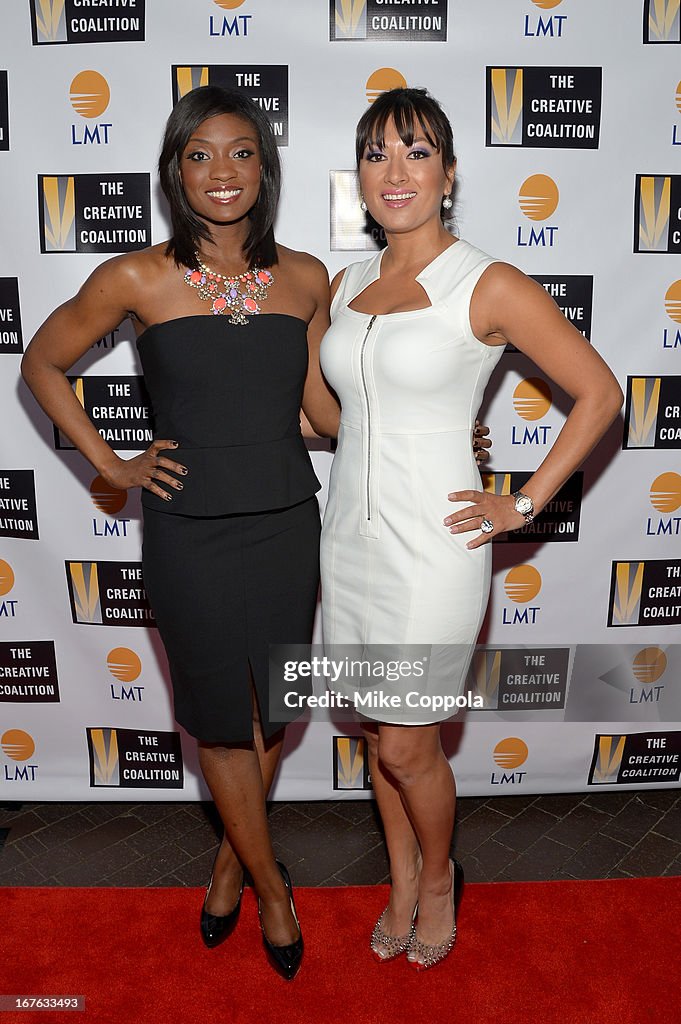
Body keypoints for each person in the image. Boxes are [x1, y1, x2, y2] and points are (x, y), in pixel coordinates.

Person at [21, 86, 339, 981]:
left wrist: (426, 434)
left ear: (265, 166)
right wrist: (109, 464)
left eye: (240, 151)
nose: (222, 170)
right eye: (199, 154)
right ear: (174, 170)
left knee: (270, 711)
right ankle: (273, 887)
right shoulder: (136, 276)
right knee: (220, 723)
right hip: (188, 531)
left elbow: (319, 413)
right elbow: (41, 361)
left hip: (284, 521)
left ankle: (230, 861)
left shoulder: (305, 277)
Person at [319, 87, 623, 971]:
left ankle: (442, 879)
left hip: (434, 549)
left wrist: (521, 501)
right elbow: (334, 413)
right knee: (379, 734)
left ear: (448, 175)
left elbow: (598, 394)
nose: (396, 172)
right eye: (377, 154)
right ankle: (402, 880)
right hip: (348, 540)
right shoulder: (345, 287)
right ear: (361, 180)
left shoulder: (484, 281)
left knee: (410, 740)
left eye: (416, 152)